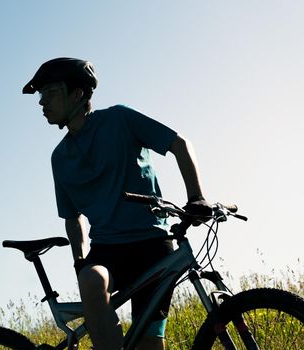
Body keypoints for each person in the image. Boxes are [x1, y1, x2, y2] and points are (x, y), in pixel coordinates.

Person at [22, 57, 211, 350]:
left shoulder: (120, 119)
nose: (42, 102)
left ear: (77, 94)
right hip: (107, 251)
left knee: (149, 344)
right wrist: (79, 260)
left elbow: (179, 144)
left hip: (153, 244)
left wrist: (196, 197)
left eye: (51, 92)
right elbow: (72, 218)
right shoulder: (60, 158)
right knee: (90, 280)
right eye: (41, 95)